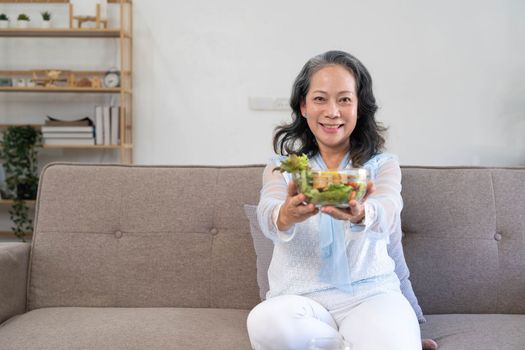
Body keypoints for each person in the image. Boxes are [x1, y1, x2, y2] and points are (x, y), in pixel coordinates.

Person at [246, 50, 438, 350]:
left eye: (345, 99)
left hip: (371, 296)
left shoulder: (381, 165)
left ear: (359, 107)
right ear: (304, 106)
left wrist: (363, 213)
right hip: (298, 300)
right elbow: (267, 211)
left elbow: (388, 210)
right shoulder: (283, 167)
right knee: (264, 323)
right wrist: (286, 215)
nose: (332, 111)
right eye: (320, 99)